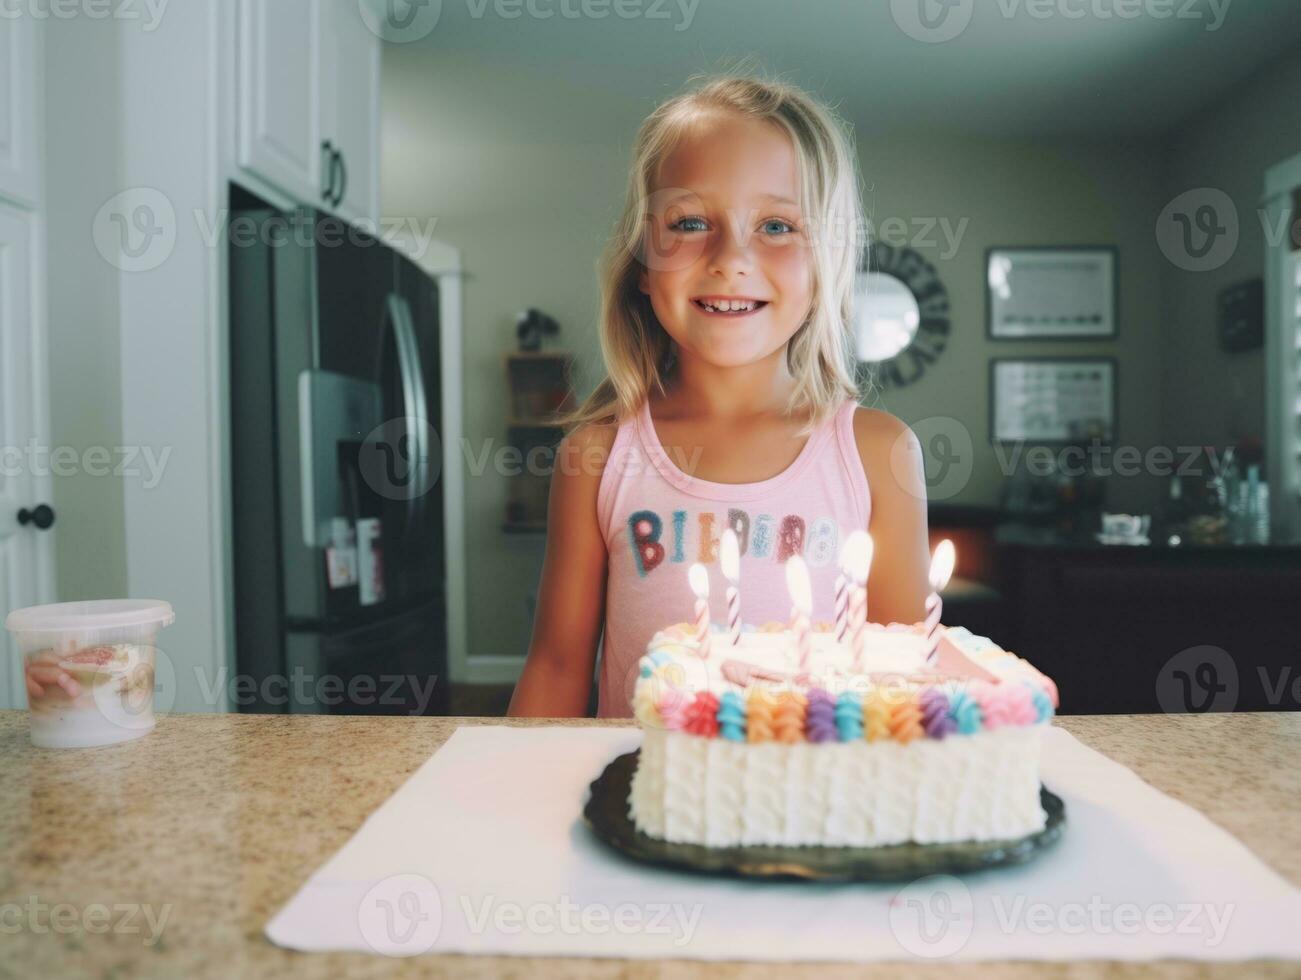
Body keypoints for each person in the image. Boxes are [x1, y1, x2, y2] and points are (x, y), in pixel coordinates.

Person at [508, 72, 930, 718]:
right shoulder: (596, 455)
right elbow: (558, 667)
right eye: (691, 221)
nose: (731, 256)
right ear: (642, 264)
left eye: (778, 226)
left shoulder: (878, 454)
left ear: (825, 269)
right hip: (640, 808)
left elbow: (904, 680)